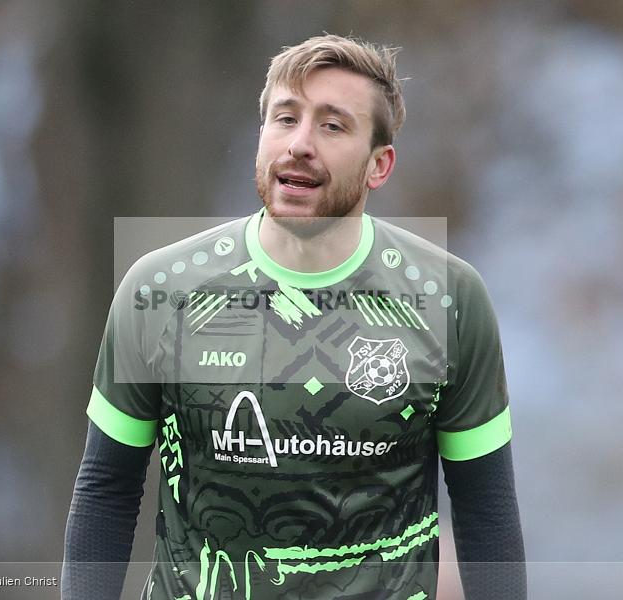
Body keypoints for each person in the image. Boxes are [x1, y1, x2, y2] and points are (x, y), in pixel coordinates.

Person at [62, 34, 526, 600]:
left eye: (332, 126)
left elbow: (486, 512)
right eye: (285, 119)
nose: (300, 143)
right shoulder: (161, 291)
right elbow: (107, 491)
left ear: (379, 165)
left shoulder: (449, 298)